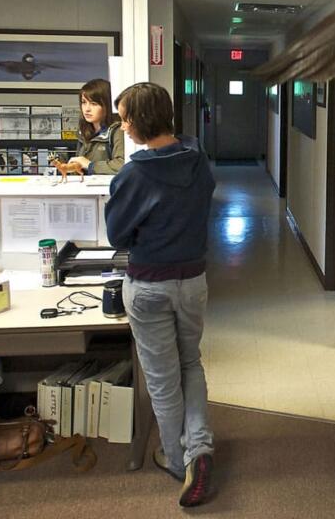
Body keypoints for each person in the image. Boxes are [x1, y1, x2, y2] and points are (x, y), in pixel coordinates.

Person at [105, 82, 216, 508]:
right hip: (193, 282)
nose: (123, 124)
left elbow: (118, 234)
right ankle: (200, 451)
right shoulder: (198, 158)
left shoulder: (134, 174)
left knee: (162, 380)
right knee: (191, 363)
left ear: (139, 121)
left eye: (125, 117)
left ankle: (176, 458)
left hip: (149, 284)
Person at [53, 78, 125, 176]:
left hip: (107, 189)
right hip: (85, 188)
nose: (87, 109)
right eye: (83, 102)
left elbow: (123, 165)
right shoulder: (83, 131)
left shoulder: (118, 130)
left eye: (93, 104)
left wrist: (91, 165)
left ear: (107, 106)